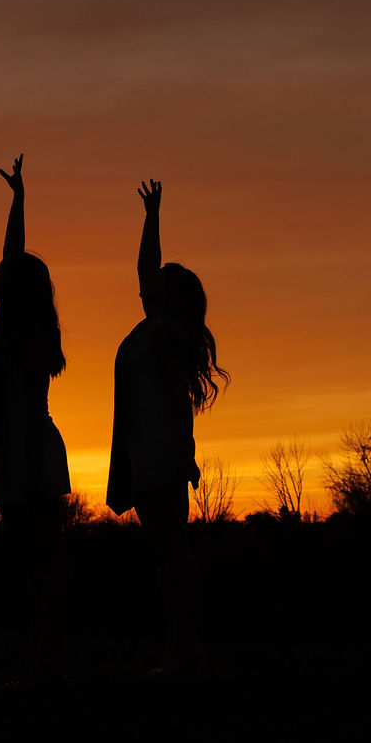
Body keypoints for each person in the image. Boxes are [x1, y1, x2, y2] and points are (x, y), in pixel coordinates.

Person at [0, 154, 70, 689]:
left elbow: (20, 408)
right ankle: (40, 659)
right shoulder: (13, 325)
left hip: (28, 452)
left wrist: (10, 463)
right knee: (32, 565)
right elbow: (16, 257)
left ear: (15, 288)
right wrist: (18, 199)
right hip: (20, 451)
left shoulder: (21, 334)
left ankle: (43, 661)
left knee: (39, 566)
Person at [106, 179, 229, 675]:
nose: (148, 280)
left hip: (162, 453)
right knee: (162, 550)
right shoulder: (150, 325)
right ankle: (176, 647)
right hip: (142, 452)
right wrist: (151, 214)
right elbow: (143, 268)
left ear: (171, 295)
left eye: (160, 279)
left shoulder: (168, 331)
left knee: (173, 548)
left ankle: (187, 647)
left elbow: (179, 399)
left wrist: (182, 453)